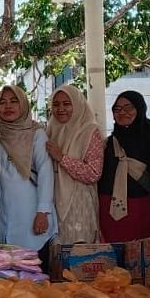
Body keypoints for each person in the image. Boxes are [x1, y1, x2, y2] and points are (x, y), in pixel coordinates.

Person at [99, 91, 150, 241]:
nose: (122, 112)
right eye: (117, 109)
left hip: (144, 210)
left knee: (145, 251)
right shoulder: (109, 143)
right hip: (110, 213)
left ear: (140, 108)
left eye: (128, 108)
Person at [0, 85, 56, 254]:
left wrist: (43, 211)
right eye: (2, 102)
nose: (8, 106)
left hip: (31, 210)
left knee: (34, 262)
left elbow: (45, 171)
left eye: (14, 101)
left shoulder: (36, 133)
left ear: (23, 104)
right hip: (3, 211)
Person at [45, 85, 103, 245]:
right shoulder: (50, 131)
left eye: (66, 104)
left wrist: (62, 158)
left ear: (77, 104)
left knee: (78, 251)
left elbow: (93, 173)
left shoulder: (89, 131)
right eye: (56, 104)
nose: (61, 109)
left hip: (78, 203)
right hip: (53, 201)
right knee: (56, 253)